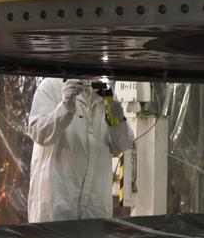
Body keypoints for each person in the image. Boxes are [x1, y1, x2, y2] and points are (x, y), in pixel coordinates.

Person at [27, 77, 134, 223]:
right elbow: (38, 132)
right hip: (57, 208)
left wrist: (117, 119)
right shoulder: (52, 86)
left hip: (94, 210)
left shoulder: (105, 94)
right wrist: (65, 107)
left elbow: (122, 144)